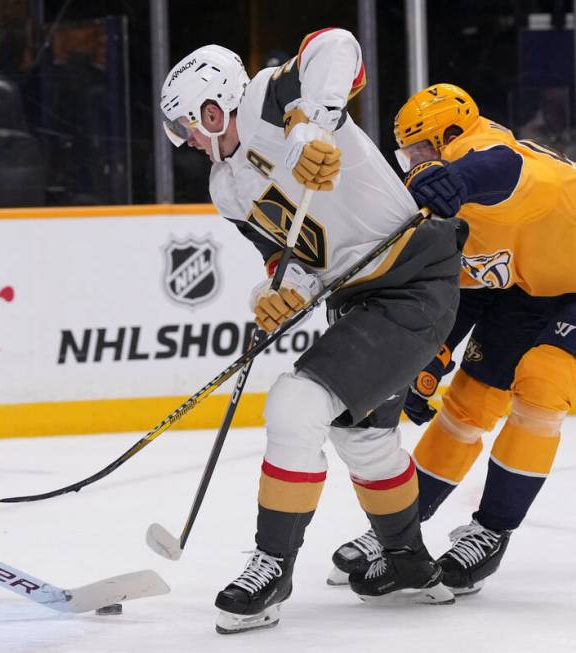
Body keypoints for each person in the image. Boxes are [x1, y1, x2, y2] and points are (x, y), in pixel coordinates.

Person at [160, 30, 466, 634]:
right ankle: (407, 562)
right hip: (357, 295)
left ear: (214, 106)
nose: (188, 139)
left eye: (189, 124)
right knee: (363, 441)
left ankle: (272, 567)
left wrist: (311, 127)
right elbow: (288, 255)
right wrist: (280, 293)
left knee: (297, 404)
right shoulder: (227, 187)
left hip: (412, 278)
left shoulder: (266, 101)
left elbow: (338, 44)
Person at [330, 83, 576, 595]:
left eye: (418, 149)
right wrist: (434, 355)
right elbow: (469, 290)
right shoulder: (454, 207)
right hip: (529, 288)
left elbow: (498, 166)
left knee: (541, 387)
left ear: (449, 136)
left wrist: (449, 176)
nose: (411, 163)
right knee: (465, 405)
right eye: (407, 155)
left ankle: (490, 530)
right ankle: (399, 529)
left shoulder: (493, 157)